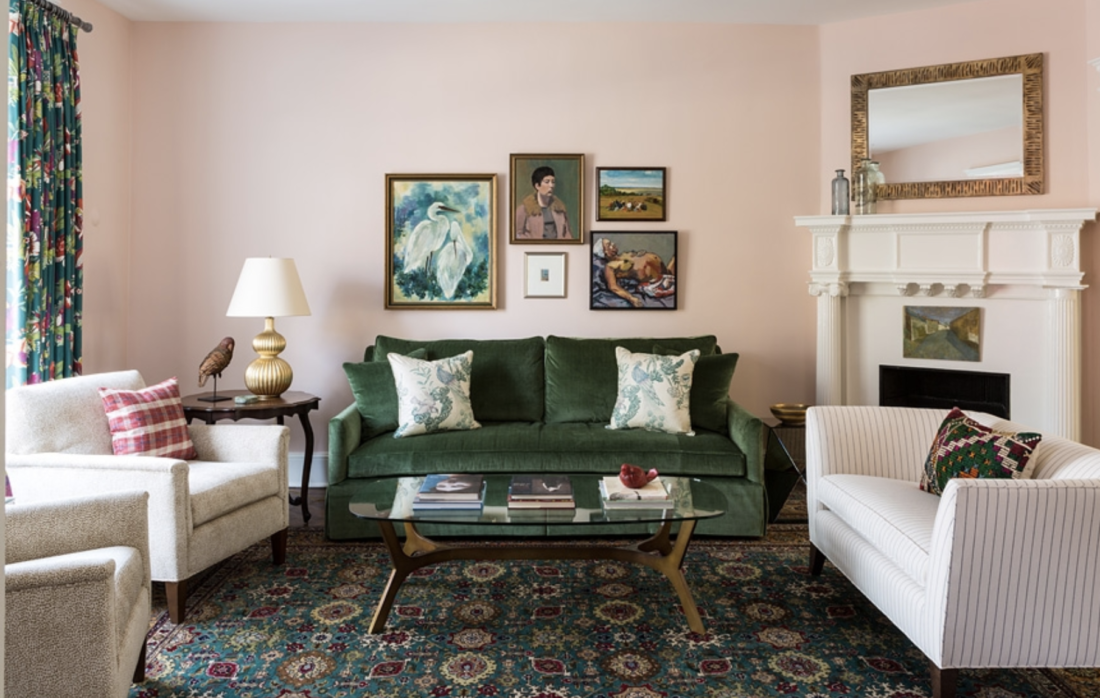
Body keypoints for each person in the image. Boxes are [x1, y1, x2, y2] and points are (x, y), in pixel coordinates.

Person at [592, 237, 675, 308]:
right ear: (605, 252)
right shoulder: (611, 266)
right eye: (609, 245)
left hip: (663, 272)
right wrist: (631, 298)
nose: (613, 244)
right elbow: (613, 287)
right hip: (656, 282)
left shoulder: (624, 254)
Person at [515, 166, 574, 240]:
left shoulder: (560, 209)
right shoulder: (524, 209)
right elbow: (517, 235)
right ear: (537, 186)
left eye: (553, 182)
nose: (551, 185)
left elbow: (567, 234)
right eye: (547, 182)